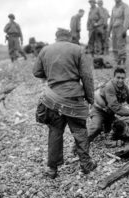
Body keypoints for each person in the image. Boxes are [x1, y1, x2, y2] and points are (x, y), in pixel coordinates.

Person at [33, 28, 97, 178]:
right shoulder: (78, 50)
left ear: (56, 37)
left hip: (53, 99)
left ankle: (52, 169)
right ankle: (86, 164)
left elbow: (36, 72)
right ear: (69, 37)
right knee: (80, 131)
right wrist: (90, 98)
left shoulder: (45, 50)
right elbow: (87, 77)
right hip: (74, 98)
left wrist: (50, 74)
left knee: (55, 132)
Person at [88, 67, 129, 142]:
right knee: (96, 128)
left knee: (121, 127)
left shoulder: (124, 87)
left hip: (110, 114)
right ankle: (78, 145)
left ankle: (105, 127)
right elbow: (115, 107)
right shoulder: (110, 87)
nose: (120, 80)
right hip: (99, 111)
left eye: (122, 78)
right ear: (113, 77)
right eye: (118, 78)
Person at [108, 0, 129, 65]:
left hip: (121, 27)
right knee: (114, 44)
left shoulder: (125, 6)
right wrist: (109, 30)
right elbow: (111, 19)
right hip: (114, 27)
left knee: (121, 44)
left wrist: (125, 29)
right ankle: (117, 60)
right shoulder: (114, 7)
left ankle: (122, 60)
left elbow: (127, 17)